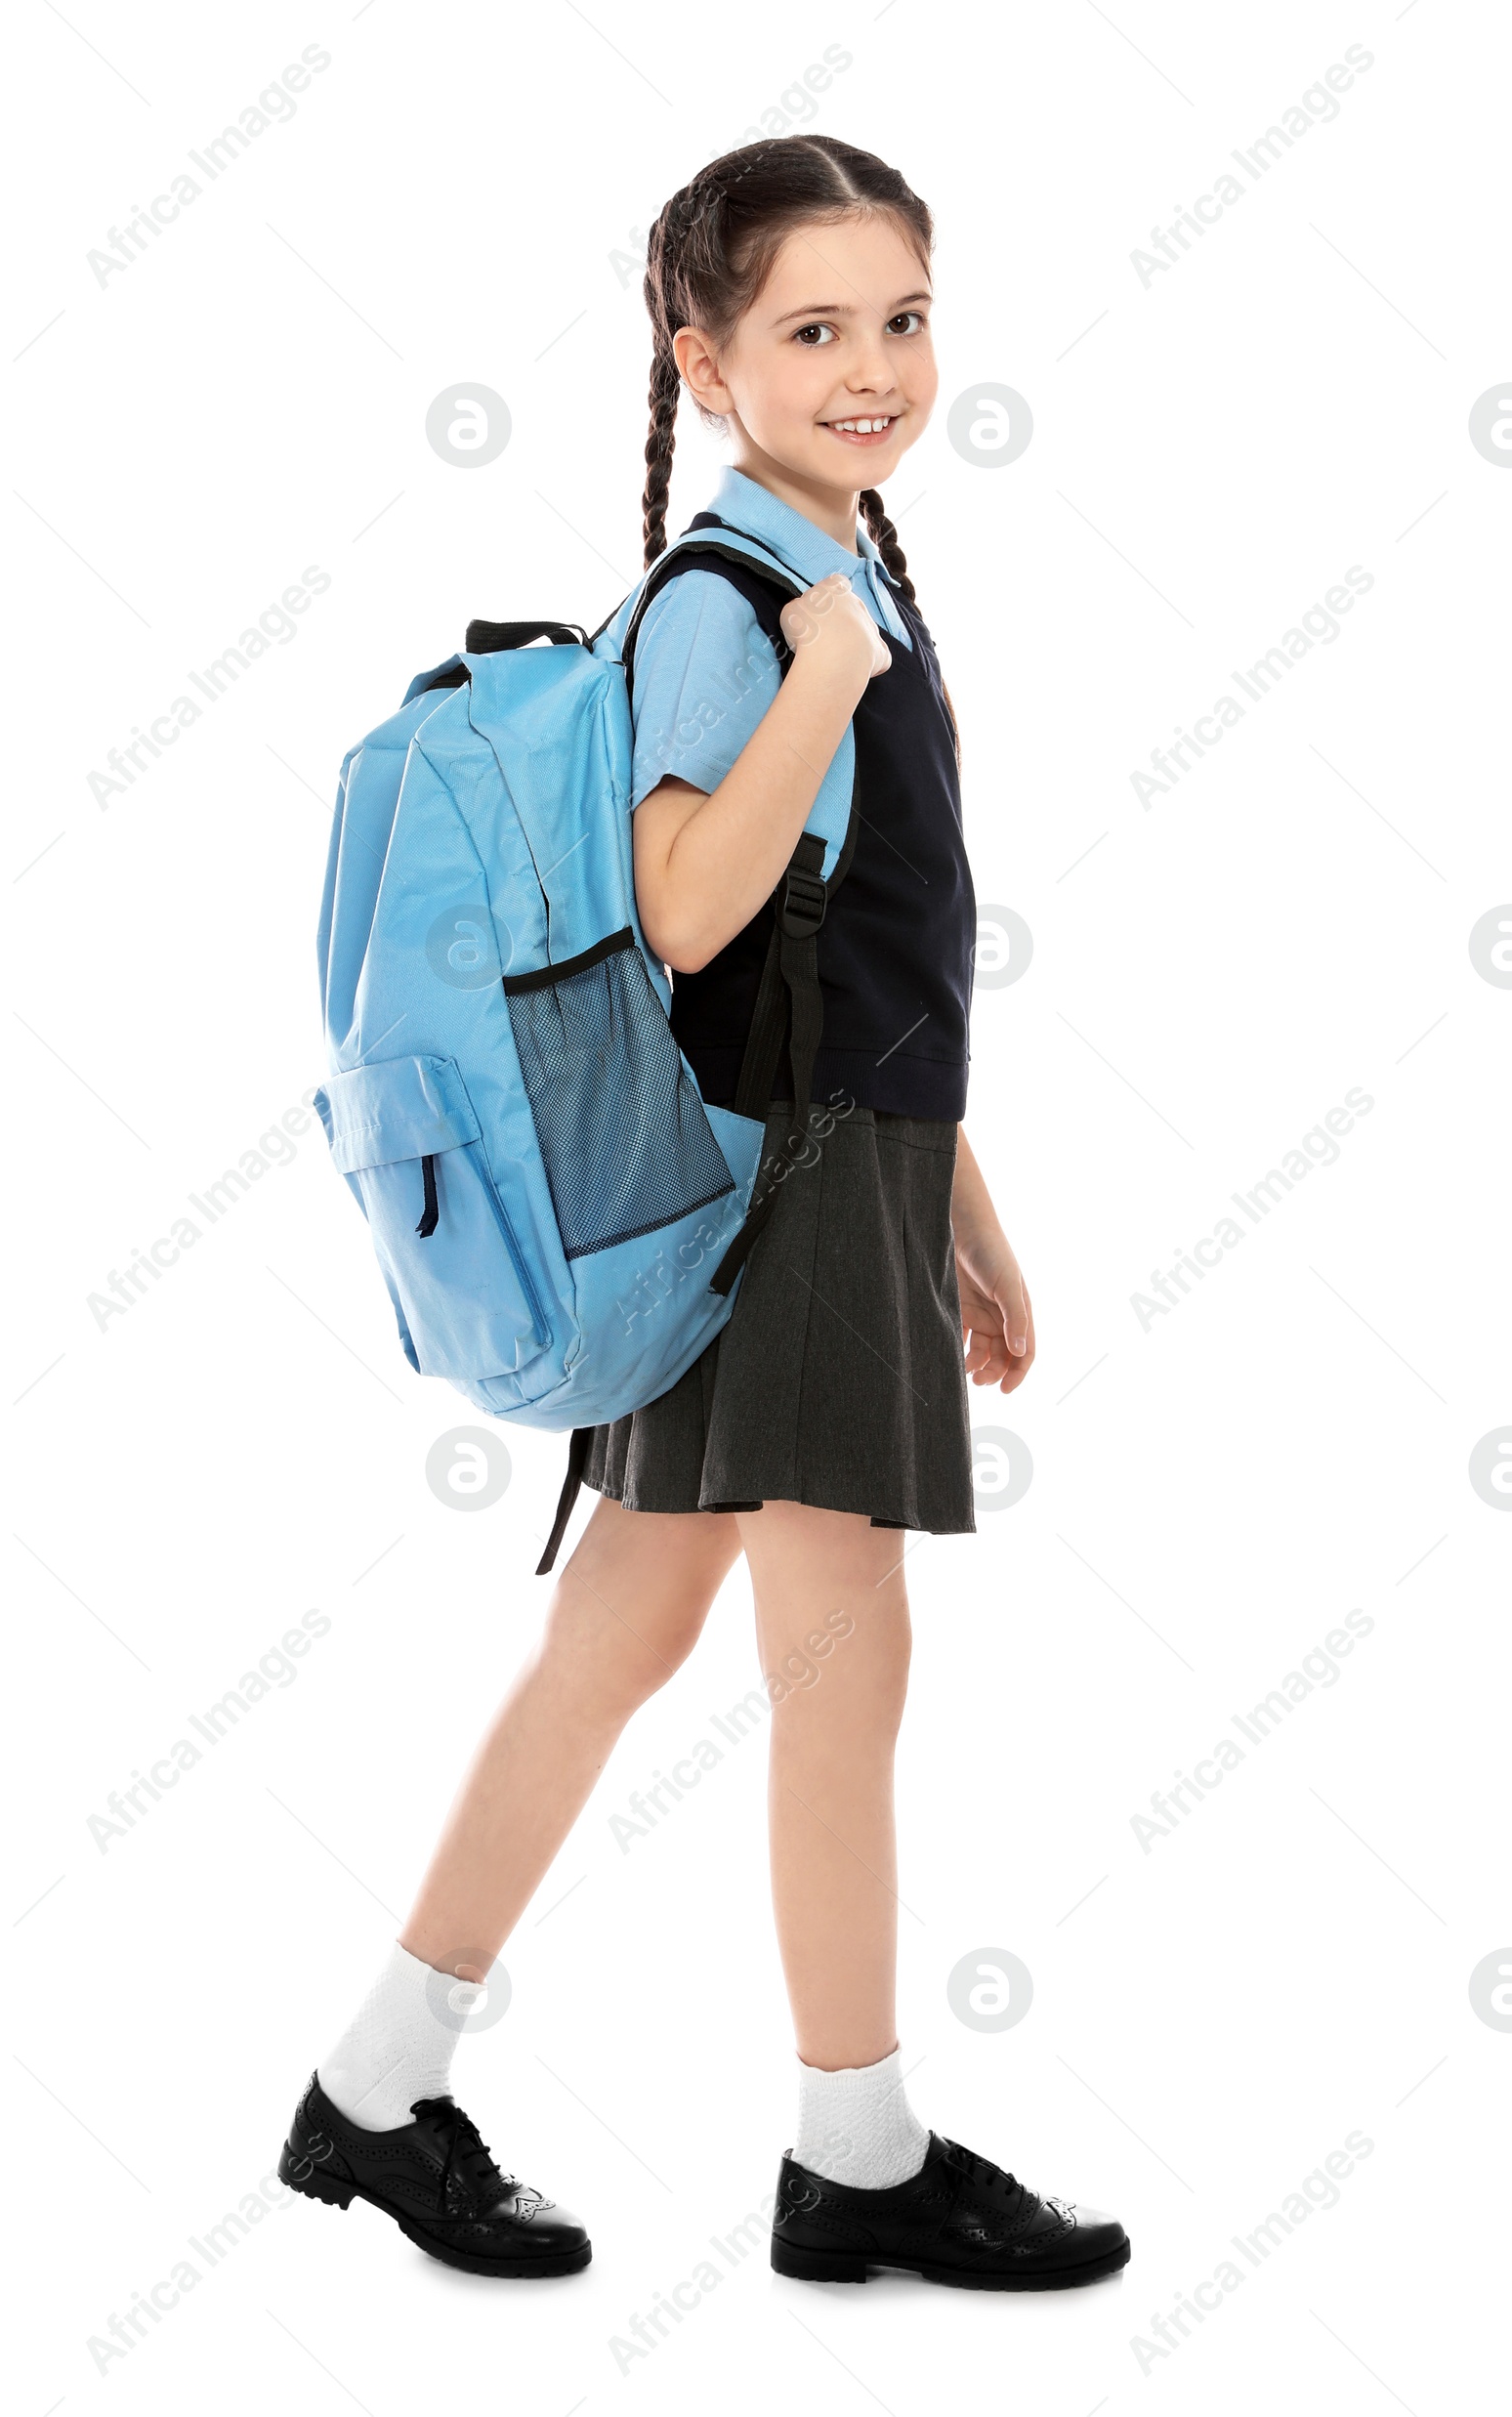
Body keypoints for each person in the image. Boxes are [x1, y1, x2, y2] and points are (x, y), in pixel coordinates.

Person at [278, 134, 1130, 2292]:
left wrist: (964, 1213)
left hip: (836, 1180)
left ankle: (376, 2087)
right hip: (779, 1207)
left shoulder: (841, 574)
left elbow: (849, 960)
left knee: (630, 1631)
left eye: (901, 320)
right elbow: (686, 908)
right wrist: (823, 680)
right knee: (840, 1659)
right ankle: (851, 2147)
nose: (869, 368)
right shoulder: (729, 605)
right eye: (810, 329)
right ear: (702, 353)